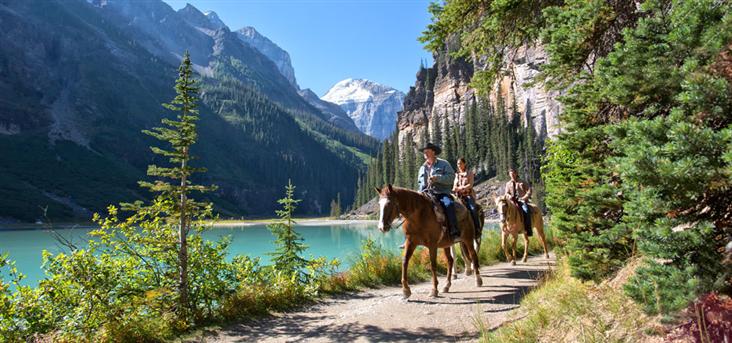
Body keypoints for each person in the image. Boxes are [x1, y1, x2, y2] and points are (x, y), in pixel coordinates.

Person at [417, 142, 460, 240]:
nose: (425, 153)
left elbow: (451, 177)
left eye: (427, 151)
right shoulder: (422, 168)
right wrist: (420, 190)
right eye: (424, 152)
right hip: (426, 194)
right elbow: (419, 182)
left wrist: (437, 178)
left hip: (441, 193)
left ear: (433, 152)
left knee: (448, 204)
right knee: (413, 207)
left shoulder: (444, 164)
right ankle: (412, 236)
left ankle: (454, 231)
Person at [453, 158, 481, 234]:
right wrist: (455, 188)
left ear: (464, 164)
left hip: (468, 195)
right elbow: (454, 185)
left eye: (460, 163)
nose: (459, 165)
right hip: (458, 196)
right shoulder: (457, 174)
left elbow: (470, 185)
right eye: (458, 164)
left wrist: (462, 188)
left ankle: (477, 228)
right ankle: (453, 229)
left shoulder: (469, 173)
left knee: (473, 208)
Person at [505, 167, 532, 236]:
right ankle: (505, 229)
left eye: (514, 173)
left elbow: (529, 190)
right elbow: (506, 193)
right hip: (512, 201)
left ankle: (528, 229)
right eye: (511, 174)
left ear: (516, 174)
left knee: (526, 210)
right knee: (504, 210)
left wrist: (524, 197)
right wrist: (509, 196)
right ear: (509, 174)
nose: (512, 175)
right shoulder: (508, 184)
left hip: (521, 201)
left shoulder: (522, 182)